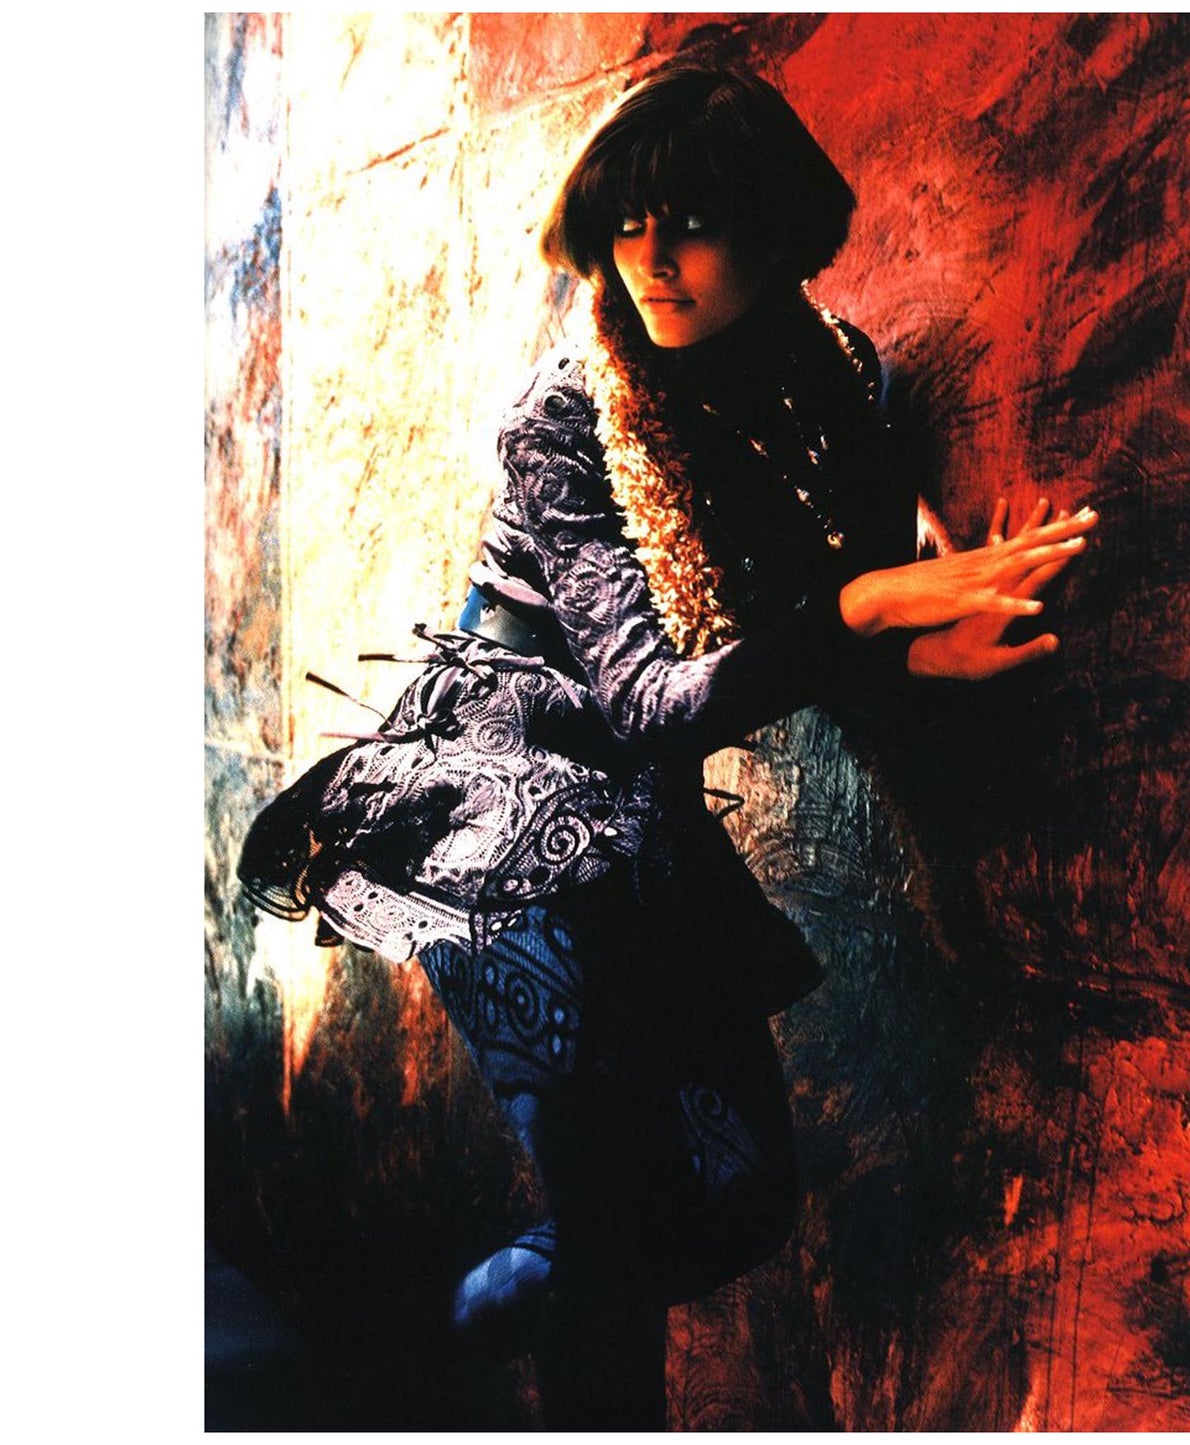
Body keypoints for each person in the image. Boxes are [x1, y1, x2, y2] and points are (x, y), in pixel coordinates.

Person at [239, 61, 1095, 1429]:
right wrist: (873, 610)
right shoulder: (567, 414)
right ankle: (368, 1386)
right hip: (494, 816)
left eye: (690, 222)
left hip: (635, 822)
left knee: (740, 1199)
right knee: (613, 1236)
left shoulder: (835, 378)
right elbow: (656, 691)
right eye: (627, 224)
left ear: (774, 230)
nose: (651, 259)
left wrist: (929, 644)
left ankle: (367, 1376)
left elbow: (841, 599)